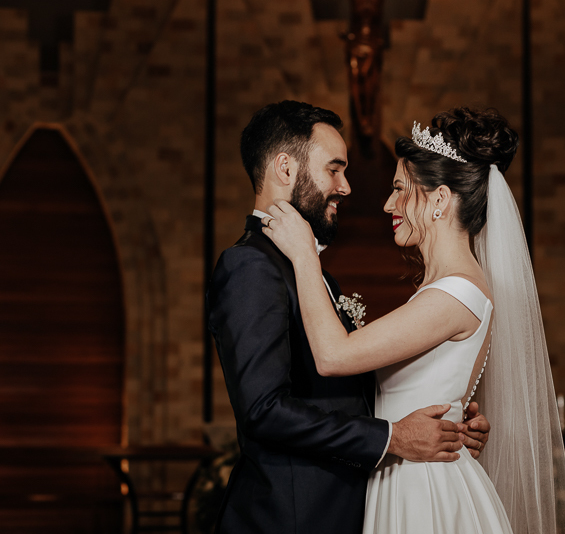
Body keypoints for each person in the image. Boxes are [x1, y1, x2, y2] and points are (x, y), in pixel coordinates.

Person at [263, 107, 565, 533]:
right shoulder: (446, 290)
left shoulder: (456, 293)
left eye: (399, 189)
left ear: (440, 200)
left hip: (427, 490)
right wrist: (461, 417)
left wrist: (303, 254)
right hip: (409, 472)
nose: (388, 203)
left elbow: (333, 355)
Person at [206, 100, 491, 533]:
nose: (347, 187)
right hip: (292, 519)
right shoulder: (250, 266)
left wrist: (450, 417)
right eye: (334, 169)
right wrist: (394, 436)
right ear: (286, 169)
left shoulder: (319, 277)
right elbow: (264, 410)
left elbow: (348, 384)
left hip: (359, 505)